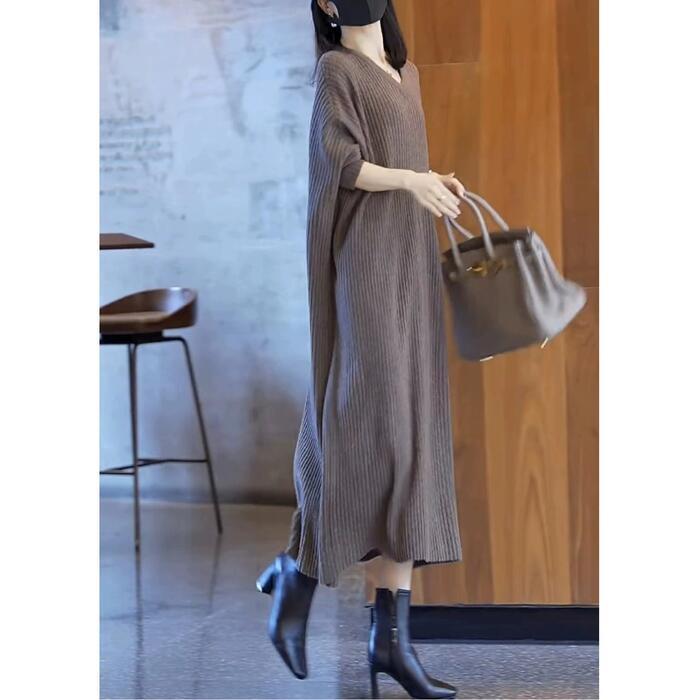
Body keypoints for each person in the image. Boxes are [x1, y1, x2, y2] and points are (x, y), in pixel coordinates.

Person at [257, 2, 465, 697]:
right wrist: (410, 179)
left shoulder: (405, 72)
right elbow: (341, 164)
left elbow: (403, 163)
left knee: (409, 443)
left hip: (410, 266)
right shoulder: (336, 70)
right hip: (367, 268)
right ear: (323, 4)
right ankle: (299, 569)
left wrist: (433, 180)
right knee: (365, 428)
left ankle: (390, 642)